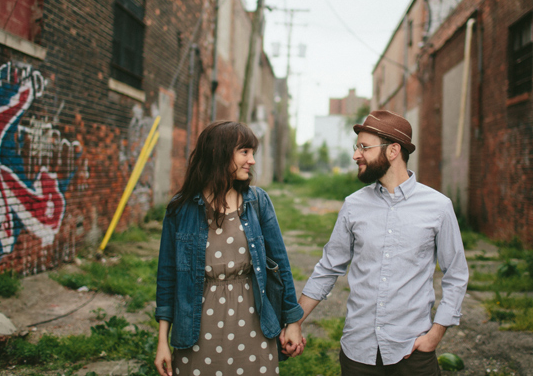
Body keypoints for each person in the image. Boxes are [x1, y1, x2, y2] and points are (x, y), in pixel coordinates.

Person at [282, 110, 469, 375]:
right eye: (356, 147)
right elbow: (328, 268)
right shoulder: (353, 205)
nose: (356, 154)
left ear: (393, 151)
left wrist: (435, 334)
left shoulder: (438, 207)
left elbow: (456, 274)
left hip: (413, 352)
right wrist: (295, 322)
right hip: (358, 353)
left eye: (364, 147)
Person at [154, 121, 304, 376]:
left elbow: (281, 267)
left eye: (252, 153)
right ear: (219, 153)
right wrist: (162, 343)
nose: (252, 160)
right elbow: (167, 278)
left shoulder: (258, 202)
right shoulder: (180, 209)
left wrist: (293, 323)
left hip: (254, 323)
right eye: (244, 152)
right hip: (197, 330)